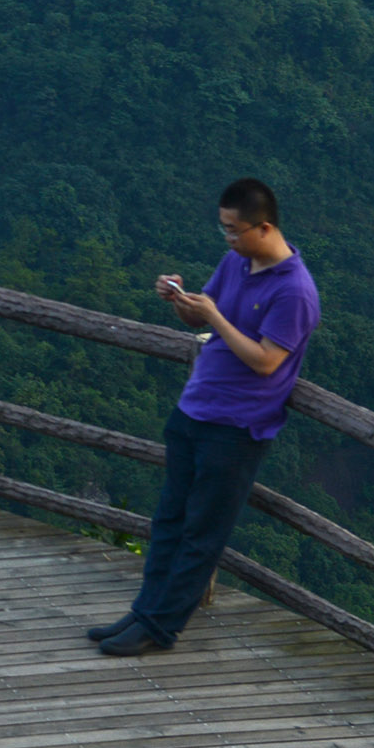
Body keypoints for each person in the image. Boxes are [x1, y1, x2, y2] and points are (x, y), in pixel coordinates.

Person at [94, 177, 322, 657]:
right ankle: (143, 610)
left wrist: (215, 316)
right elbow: (200, 319)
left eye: (234, 230)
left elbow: (265, 361)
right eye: (224, 230)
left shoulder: (295, 291)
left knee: (202, 532)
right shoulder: (235, 262)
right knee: (170, 520)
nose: (228, 239)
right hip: (195, 408)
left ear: (264, 227)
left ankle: (161, 626)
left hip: (238, 427)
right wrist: (180, 301)